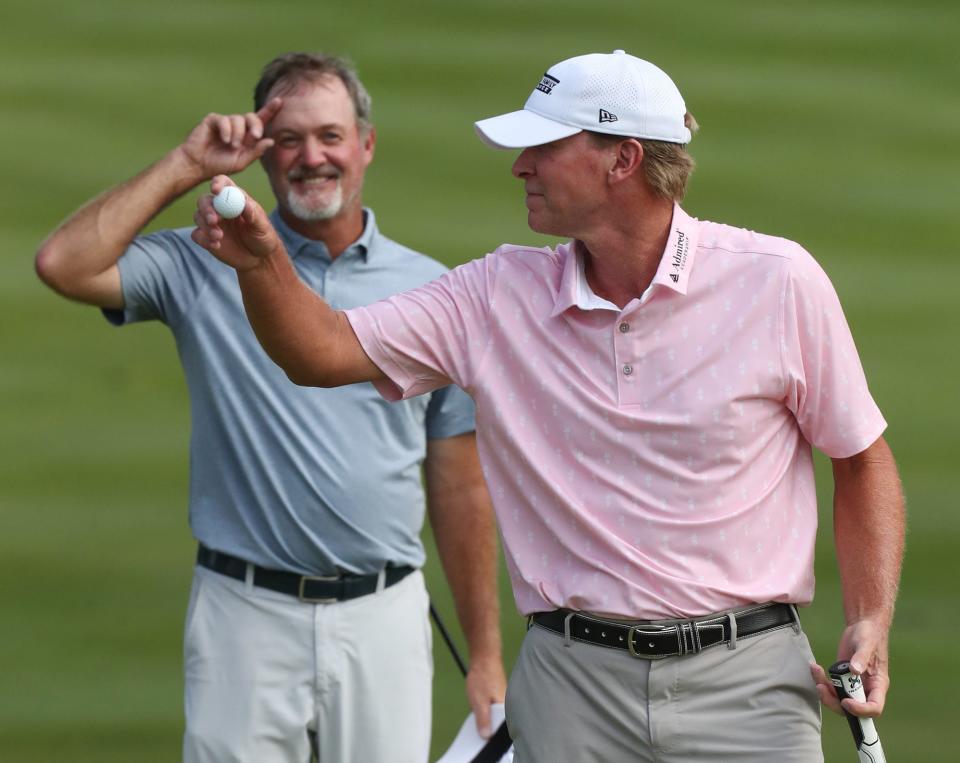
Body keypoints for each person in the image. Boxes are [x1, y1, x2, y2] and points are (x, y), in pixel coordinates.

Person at [190, 49, 905, 762]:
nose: (520, 166)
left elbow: (860, 456)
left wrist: (870, 617)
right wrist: (263, 263)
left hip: (747, 684)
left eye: (544, 146)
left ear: (622, 159)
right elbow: (319, 351)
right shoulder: (492, 293)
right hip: (571, 688)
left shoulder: (778, 281)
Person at [35, 52, 506, 763]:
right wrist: (187, 163)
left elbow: (460, 480)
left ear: (366, 145)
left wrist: (486, 653)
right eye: (288, 140)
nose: (311, 157)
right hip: (243, 613)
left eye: (330, 136)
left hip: (384, 614)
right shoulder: (202, 261)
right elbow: (63, 264)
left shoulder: (428, 289)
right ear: (261, 154)